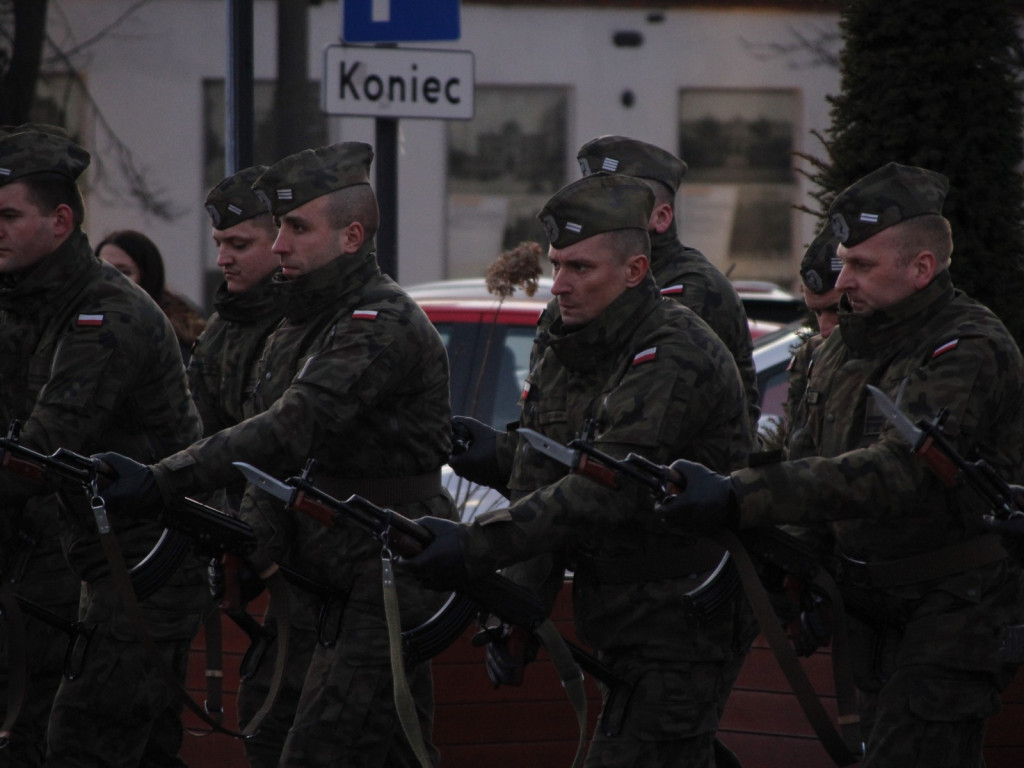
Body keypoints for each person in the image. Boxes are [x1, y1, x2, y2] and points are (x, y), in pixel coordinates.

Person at [97, 141, 458, 768]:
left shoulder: (380, 320)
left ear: (350, 236)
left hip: (384, 568)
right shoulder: (299, 323)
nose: (281, 244)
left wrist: (161, 480)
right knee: (278, 731)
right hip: (315, 569)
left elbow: (289, 428)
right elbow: (268, 464)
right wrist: (248, 544)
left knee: (322, 747)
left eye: (296, 228)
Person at [655, 162, 1024, 768]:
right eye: (845, 261)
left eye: (862, 265)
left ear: (921, 268)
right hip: (871, 611)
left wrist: (739, 494)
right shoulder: (840, 351)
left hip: (952, 612)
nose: (843, 279)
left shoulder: (968, 347)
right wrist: (796, 568)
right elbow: (809, 464)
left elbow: (897, 473)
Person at [404, 172, 757, 767]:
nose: (560, 284)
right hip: (617, 611)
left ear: (635, 271)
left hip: (680, 616)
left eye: (580, 268)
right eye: (557, 264)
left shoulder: (673, 351)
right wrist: (517, 607)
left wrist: (471, 546)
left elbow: (602, 490)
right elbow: (542, 473)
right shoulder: (571, 340)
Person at [0, 126, 207, 767]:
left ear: (60, 221)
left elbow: (38, 451)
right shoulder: (23, 300)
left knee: (82, 746)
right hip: (72, 557)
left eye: (8, 216)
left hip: (141, 569)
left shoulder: (106, 313)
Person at [188, 165, 309, 767]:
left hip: (307, 548)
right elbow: (202, 443)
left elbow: (282, 448)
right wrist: (223, 536)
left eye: (239, 244)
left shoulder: (304, 324)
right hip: (246, 543)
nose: (224, 259)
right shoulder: (220, 332)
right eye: (219, 245)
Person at [574, 135, 760, 431]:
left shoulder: (692, 290)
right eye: (590, 200)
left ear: (661, 217)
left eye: (612, 202)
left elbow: (650, 413)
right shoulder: (604, 281)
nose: (595, 213)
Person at [96, 229, 207, 362]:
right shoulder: (84, 322)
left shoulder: (176, 334)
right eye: (104, 270)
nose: (111, 280)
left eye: (125, 272)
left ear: (147, 277)